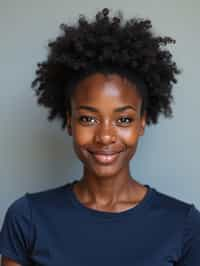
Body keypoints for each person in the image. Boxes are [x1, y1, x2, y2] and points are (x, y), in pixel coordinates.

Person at [0, 7, 199, 266]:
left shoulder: (183, 225)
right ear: (69, 121)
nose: (105, 136)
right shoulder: (27, 217)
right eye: (88, 118)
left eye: (123, 119)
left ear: (142, 122)